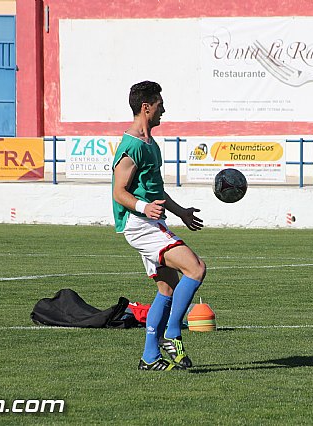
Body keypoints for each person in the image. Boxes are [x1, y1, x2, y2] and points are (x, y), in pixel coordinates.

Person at [112, 81, 206, 371]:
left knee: (167, 289)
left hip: (151, 221)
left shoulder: (149, 144)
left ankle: (149, 357)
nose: (163, 108)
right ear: (146, 107)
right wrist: (143, 208)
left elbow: (156, 193)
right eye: (159, 104)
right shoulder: (131, 146)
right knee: (196, 268)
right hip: (140, 225)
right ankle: (173, 334)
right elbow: (119, 192)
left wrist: (181, 212)